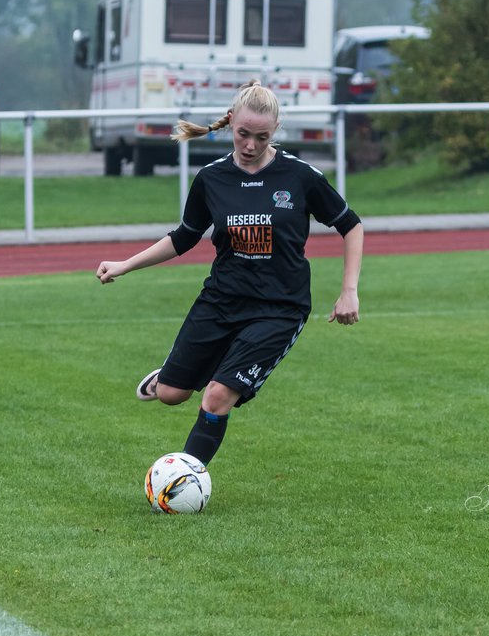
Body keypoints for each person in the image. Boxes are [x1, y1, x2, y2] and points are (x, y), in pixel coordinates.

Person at [96, 80, 364, 467]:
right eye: (243, 134)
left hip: (278, 308)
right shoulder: (211, 178)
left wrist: (348, 290)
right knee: (172, 395)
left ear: (275, 132)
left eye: (262, 136)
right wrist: (126, 264)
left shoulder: (300, 177)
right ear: (230, 122)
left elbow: (351, 225)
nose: (251, 145)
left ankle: (185, 478)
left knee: (218, 395)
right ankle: (173, 376)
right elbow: (184, 237)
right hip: (221, 300)